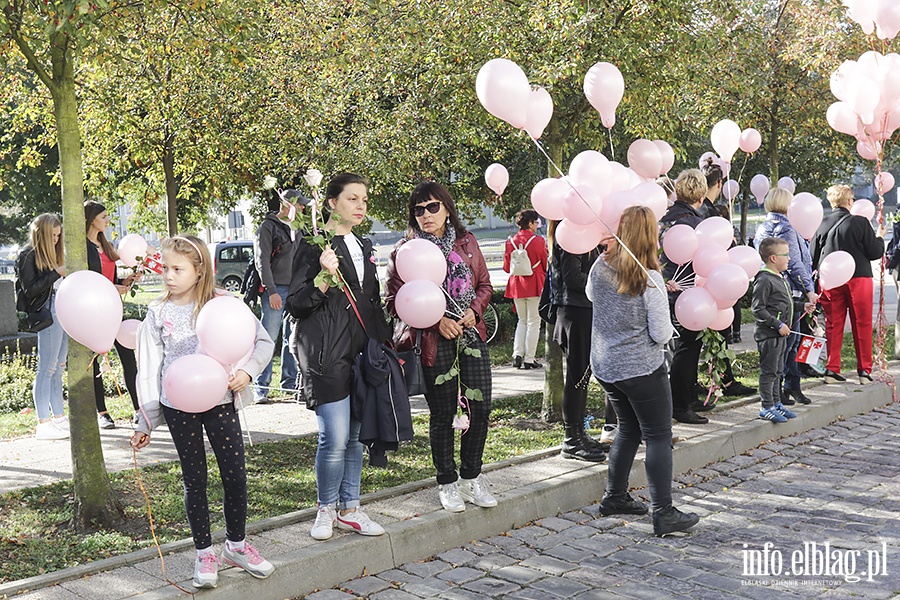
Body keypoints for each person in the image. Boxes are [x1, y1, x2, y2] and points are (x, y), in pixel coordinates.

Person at [131, 235, 275, 589]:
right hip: (179, 406)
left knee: (235, 475)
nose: (168, 275)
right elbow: (148, 369)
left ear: (199, 271)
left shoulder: (223, 304)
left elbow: (262, 340)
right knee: (195, 480)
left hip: (221, 401)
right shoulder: (157, 312)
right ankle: (204, 553)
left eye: (177, 269)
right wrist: (145, 420)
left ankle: (237, 546)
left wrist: (247, 372)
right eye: (165, 268)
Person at [287, 173, 391, 539]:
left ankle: (352, 508)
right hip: (325, 355)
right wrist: (324, 277)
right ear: (331, 202)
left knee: (356, 437)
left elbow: (370, 303)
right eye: (352, 199)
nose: (360, 206)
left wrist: (384, 346)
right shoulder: (313, 246)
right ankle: (325, 509)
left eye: (364, 199)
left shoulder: (363, 247)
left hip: (363, 354)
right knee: (334, 436)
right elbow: (296, 305)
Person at [587, 205, 699, 537]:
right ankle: (663, 511)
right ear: (651, 235)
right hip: (640, 369)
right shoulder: (649, 278)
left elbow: (592, 296)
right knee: (659, 436)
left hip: (607, 366)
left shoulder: (599, 267)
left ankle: (615, 497)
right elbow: (662, 333)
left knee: (628, 429)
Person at [385, 181, 497, 512]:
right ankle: (447, 482)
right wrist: (436, 321)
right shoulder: (405, 251)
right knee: (444, 414)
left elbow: (485, 285)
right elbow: (393, 301)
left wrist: (473, 311)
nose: (426, 215)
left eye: (433, 207)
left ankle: (471, 476)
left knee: (481, 409)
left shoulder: (467, 242)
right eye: (418, 210)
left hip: (470, 334)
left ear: (447, 208)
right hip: (435, 341)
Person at [810, 185, 885, 384]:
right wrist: (880, 237)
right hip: (858, 277)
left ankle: (832, 369)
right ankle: (864, 371)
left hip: (830, 279)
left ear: (832, 202)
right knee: (862, 323)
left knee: (833, 324)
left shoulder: (822, 224)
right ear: (850, 202)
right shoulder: (860, 222)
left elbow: (813, 256)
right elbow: (875, 252)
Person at [753, 189, 818, 405]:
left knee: (784, 344)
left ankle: (783, 389)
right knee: (790, 342)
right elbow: (795, 263)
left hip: (775, 291)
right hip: (790, 291)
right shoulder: (788, 228)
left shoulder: (763, 226)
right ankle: (784, 389)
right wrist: (809, 288)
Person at [548, 227, 608, 462]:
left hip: (583, 311)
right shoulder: (571, 234)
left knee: (582, 378)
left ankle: (578, 434)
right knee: (577, 378)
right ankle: (571, 439)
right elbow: (573, 277)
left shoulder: (584, 233)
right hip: (575, 313)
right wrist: (605, 281)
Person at [659, 169, 709, 424]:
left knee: (675, 347)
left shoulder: (662, 218)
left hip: (663, 287)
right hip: (686, 291)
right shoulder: (695, 224)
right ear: (701, 195)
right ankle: (680, 404)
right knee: (687, 347)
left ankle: (687, 397)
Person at [84, 201, 140, 428]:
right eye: (104, 217)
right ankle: (103, 412)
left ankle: (138, 409)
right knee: (95, 362)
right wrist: (110, 287)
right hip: (94, 311)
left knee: (129, 359)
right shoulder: (82, 247)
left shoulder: (104, 245)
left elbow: (111, 279)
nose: (108, 221)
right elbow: (88, 281)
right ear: (91, 219)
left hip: (114, 308)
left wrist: (125, 282)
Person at [16, 214, 68, 440]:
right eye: (53, 236)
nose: (56, 240)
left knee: (58, 367)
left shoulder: (56, 253)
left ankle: (59, 418)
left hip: (64, 309)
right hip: (48, 312)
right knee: (46, 368)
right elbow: (31, 289)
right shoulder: (27, 255)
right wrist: (56, 272)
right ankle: (43, 423)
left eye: (59, 235)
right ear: (43, 235)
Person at [253, 190, 306, 404]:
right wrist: (272, 290)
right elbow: (262, 261)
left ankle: (289, 384)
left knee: (291, 338)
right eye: (299, 205)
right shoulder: (267, 228)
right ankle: (261, 388)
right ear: (287, 205)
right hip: (276, 290)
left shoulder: (298, 226)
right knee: (268, 338)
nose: (302, 208)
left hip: (295, 289)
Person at [752, 237, 806, 423]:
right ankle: (766, 406)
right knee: (769, 372)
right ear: (773, 258)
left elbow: (784, 304)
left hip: (780, 334)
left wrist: (802, 306)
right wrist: (778, 324)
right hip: (769, 335)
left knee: (777, 370)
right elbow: (758, 309)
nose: (789, 258)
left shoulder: (779, 278)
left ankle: (776, 404)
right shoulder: (765, 279)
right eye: (786, 255)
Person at [503, 209, 548, 369]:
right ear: (530, 223)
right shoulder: (539, 241)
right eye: (536, 222)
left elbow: (507, 267)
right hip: (535, 283)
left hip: (517, 284)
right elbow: (545, 265)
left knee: (521, 321)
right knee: (534, 322)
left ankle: (517, 354)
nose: (537, 225)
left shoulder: (510, 241)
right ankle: (529, 358)